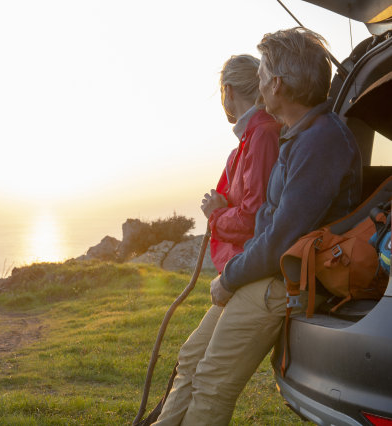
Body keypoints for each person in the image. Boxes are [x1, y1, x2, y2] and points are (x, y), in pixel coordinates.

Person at [153, 27, 362, 425]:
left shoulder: (320, 142)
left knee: (213, 381)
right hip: (266, 272)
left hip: (282, 281)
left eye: (263, 72)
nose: (259, 80)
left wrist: (229, 277)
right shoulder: (298, 135)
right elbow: (268, 225)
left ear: (278, 84)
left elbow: (281, 237)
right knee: (191, 359)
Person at [201, 54, 281, 274]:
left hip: (256, 267)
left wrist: (215, 214)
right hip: (245, 265)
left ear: (229, 90)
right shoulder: (251, 139)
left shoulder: (262, 136)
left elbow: (255, 219)